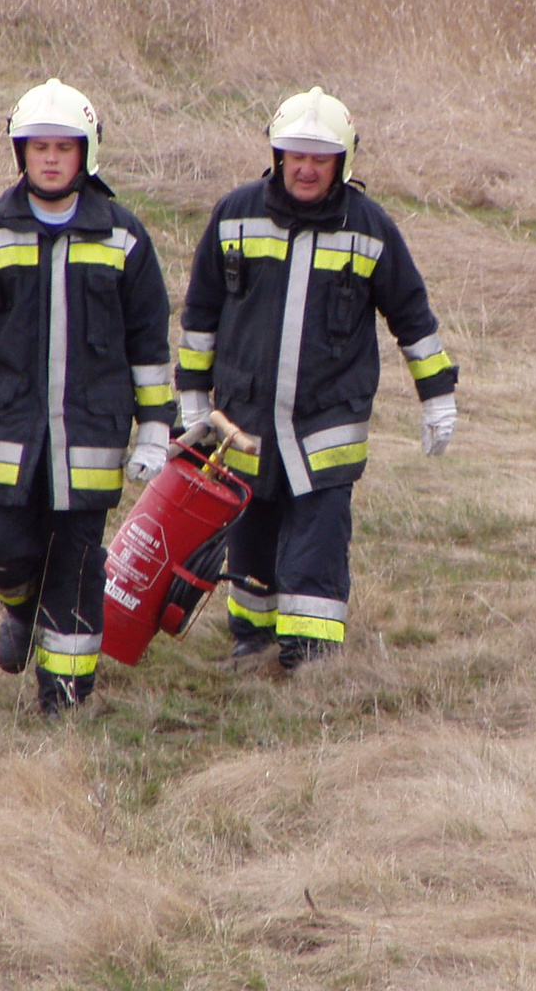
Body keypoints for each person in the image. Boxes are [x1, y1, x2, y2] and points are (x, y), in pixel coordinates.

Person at [0, 79, 174, 711]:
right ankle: (22, 607)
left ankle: (65, 700)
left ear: (86, 154)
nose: (49, 158)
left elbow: (150, 347)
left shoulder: (124, 239)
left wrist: (156, 431)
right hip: (1, 432)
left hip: (90, 437)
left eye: (62, 147)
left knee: (76, 564)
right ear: (20, 153)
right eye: (37, 146)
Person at [173, 86, 458, 670]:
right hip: (244, 419)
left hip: (327, 421)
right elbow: (200, 316)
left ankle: (310, 658)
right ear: (278, 156)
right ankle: (252, 639)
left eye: (320, 158)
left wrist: (438, 398)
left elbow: (412, 317)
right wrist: (193, 399)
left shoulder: (371, 229)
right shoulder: (236, 215)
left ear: (343, 161)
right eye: (295, 155)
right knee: (251, 530)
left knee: (318, 534)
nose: (306, 168)